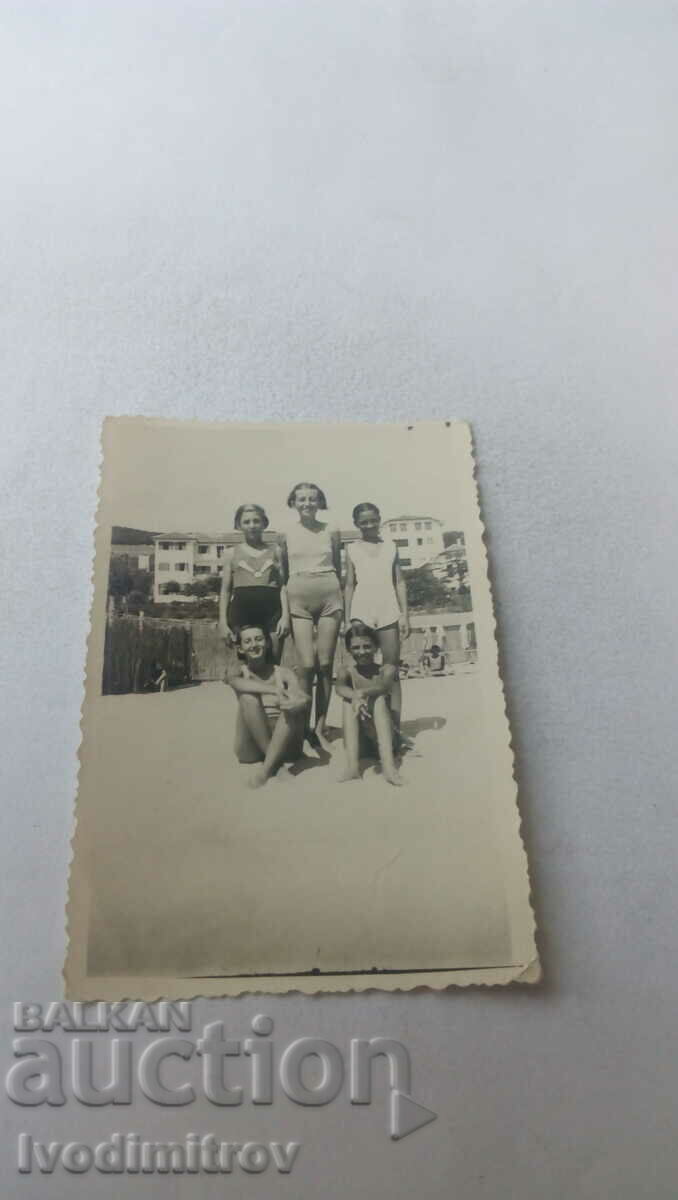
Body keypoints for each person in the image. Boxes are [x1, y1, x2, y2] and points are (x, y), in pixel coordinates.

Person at [281, 481, 343, 752]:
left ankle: (320, 726)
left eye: (312, 499)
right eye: (301, 499)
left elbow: (339, 569)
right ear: (293, 502)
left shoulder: (332, 530)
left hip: (329, 593)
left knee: (326, 663)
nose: (307, 504)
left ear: (320, 502)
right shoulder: (285, 533)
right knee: (306, 665)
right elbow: (283, 574)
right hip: (298, 595)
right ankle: (302, 726)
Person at [343, 502, 410, 739]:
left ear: (379, 519)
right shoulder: (351, 549)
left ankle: (396, 729)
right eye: (364, 522)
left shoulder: (391, 546)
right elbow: (349, 584)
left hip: (388, 609)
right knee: (361, 669)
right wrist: (347, 618)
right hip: (361, 610)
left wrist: (405, 615)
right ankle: (366, 728)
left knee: (391, 670)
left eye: (373, 520)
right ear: (356, 524)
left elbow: (400, 581)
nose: (369, 525)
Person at [227, 624, 309, 788]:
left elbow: (301, 695)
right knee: (248, 698)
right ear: (241, 649)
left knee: (293, 703)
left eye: (259, 639)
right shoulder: (237, 671)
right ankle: (275, 765)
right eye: (248, 641)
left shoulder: (283, 673)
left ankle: (265, 770)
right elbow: (237, 683)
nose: (254, 645)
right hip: (250, 749)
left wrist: (296, 701)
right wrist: (275, 690)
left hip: (285, 745)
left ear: (268, 643)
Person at [219, 503, 290, 663]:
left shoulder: (276, 551)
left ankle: (275, 688)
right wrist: (223, 623)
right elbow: (225, 590)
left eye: (256, 521)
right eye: (246, 522)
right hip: (241, 613)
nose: (252, 526)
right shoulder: (231, 553)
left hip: (272, 612)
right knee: (247, 665)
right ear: (238, 525)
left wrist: (285, 616)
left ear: (264, 523)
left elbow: (283, 586)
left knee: (273, 662)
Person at [335, 625, 403, 787]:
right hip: (360, 743)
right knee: (347, 700)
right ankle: (352, 767)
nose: (362, 652)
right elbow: (339, 688)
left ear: (376, 647)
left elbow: (383, 687)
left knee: (378, 699)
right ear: (349, 650)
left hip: (386, 739)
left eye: (367, 646)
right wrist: (355, 698)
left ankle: (389, 767)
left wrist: (360, 694)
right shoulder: (346, 671)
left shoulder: (387, 670)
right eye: (356, 647)